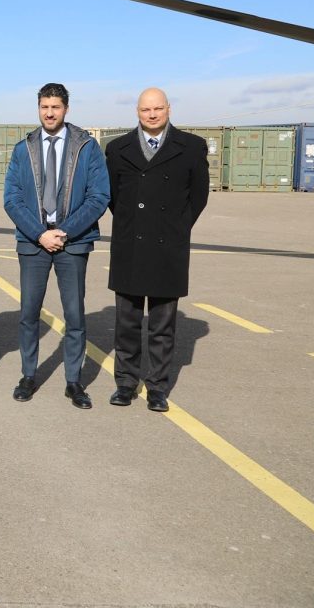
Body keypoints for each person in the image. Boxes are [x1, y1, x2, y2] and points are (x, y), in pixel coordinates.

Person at [3, 83, 109, 409]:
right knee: (29, 313)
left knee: (74, 315)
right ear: (38, 108)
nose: (50, 113)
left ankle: (74, 382)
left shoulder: (86, 147)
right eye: (44, 107)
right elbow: (12, 199)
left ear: (66, 109)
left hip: (72, 243)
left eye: (56, 107)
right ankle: (28, 375)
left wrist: (64, 231)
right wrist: (39, 233)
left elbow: (99, 196)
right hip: (34, 243)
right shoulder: (25, 148)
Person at [105, 88, 209, 412]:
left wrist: (175, 228)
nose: (152, 115)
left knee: (163, 325)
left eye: (158, 109)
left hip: (168, 248)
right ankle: (125, 383)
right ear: (137, 111)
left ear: (168, 109)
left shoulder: (191, 147)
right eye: (146, 109)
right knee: (127, 323)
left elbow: (199, 196)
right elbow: (112, 196)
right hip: (130, 246)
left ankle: (158, 388)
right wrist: (130, 224)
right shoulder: (117, 148)